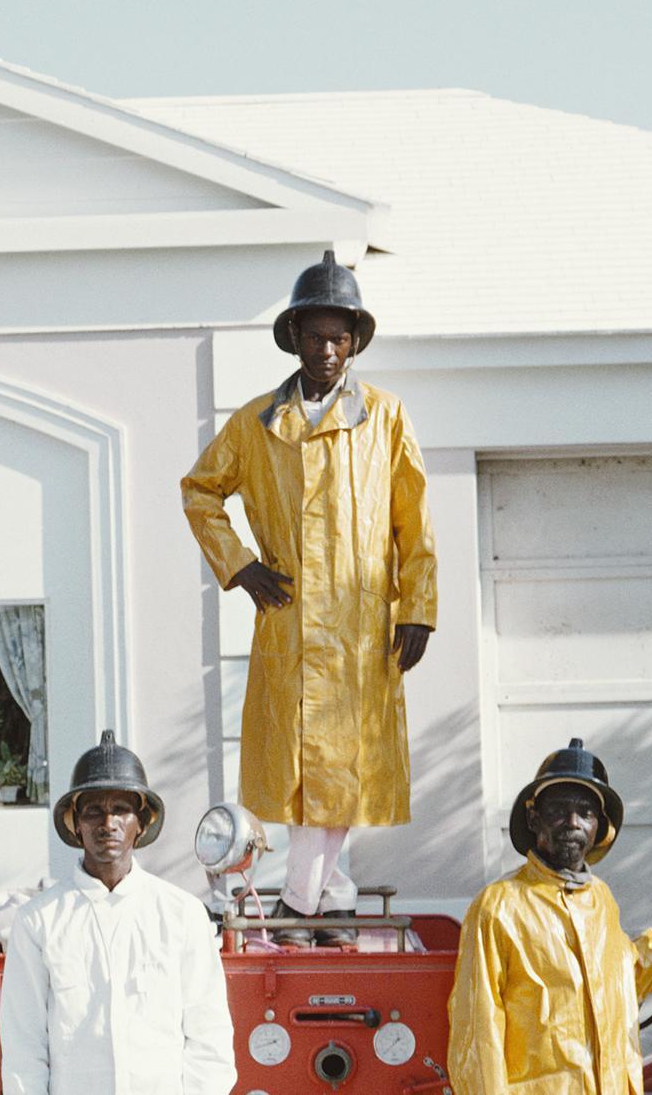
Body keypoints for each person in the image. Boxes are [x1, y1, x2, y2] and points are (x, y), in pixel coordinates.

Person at [181, 250, 437, 945]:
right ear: (294, 336)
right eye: (315, 335)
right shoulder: (257, 423)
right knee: (301, 768)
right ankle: (325, 894)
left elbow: (412, 521)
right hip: (290, 617)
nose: (327, 350)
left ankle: (308, 897)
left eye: (339, 337)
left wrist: (417, 606)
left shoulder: (384, 419)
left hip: (360, 624)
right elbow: (199, 490)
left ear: (354, 342)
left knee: (342, 766)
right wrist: (239, 568)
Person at [447, 739, 652, 1095]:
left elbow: (625, 975)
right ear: (533, 818)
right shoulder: (498, 907)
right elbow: (478, 1030)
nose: (572, 822)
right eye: (558, 809)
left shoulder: (599, 898)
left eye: (586, 812)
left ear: (599, 827)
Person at [0, 730, 236, 1095]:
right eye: (93, 810)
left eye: (121, 809)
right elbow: (23, 1049)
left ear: (140, 823)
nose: (107, 822)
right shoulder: (39, 921)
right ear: (75, 824)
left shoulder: (182, 915)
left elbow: (210, 1037)